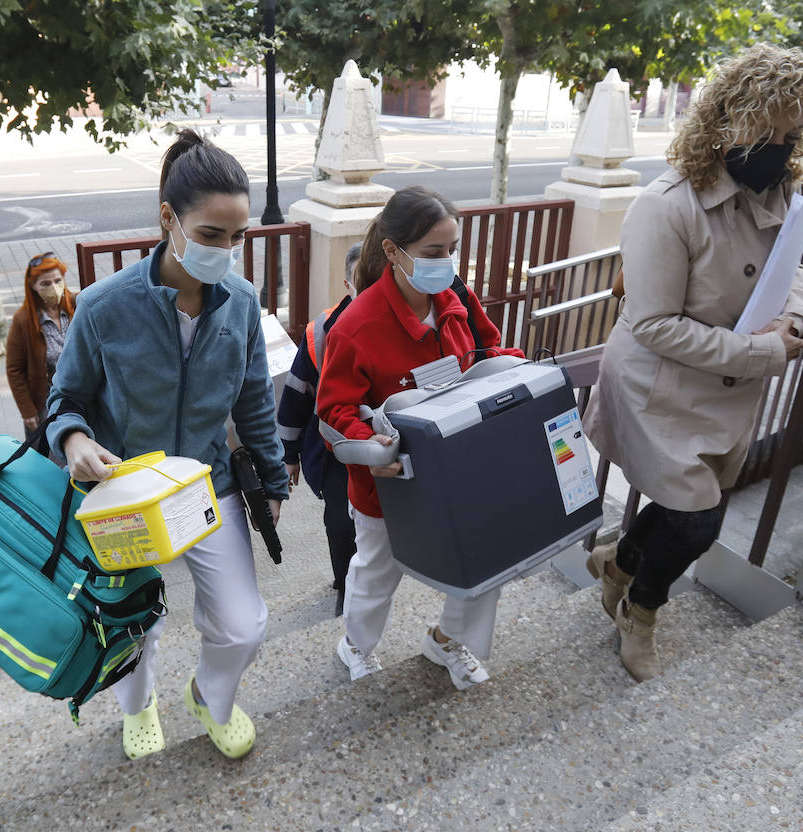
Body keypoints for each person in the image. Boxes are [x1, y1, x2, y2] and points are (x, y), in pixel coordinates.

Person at [582, 43, 803, 681]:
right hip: (657, 387)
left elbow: (791, 263)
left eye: (789, 132)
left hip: (721, 388)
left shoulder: (778, 190)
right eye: (763, 128)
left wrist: (797, 316)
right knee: (698, 521)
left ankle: (619, 562)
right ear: (725, 118)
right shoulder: (666, 206)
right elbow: (655, 323)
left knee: (690, 506)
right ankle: (640, 609)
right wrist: (764, 351)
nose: (776, 145)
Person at [46, 129, 289, 761]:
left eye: (238, 238)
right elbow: (64, 399)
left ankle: (209, 695)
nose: (226, 251)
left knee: (244, 624)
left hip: (208, 487)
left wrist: (275, 483)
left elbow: (254, 401)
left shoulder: (241, 303)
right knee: (131, 627)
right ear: (168, 219)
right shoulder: (103, 308)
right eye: (211, 234)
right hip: (123, 491)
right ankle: (139, 703)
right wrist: (72, 440)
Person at [317, 185, 524, 690]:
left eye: (452, 250)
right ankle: (357, 647)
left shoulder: (456, 298)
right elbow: (333, 411)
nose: (447, 262)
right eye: (434, 252)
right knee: (376, 577)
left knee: (484, 559)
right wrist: (370, 448)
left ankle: (447, 641)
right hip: (387, 485)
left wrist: (514, 372)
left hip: (459, 469)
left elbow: (487, 350)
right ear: (393, 251)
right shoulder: (356, 326)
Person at [276, 243, 361, 617]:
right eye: (363, 280)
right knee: (341, 523)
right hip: (336, 450)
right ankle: (345, 585)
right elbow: (296, 396)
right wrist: (289, 455)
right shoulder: (322, 333)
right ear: (348, 283)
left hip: (387, 444)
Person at [5, 252, 74, 456]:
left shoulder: (76, 306)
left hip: (79, 397)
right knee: (46, 457)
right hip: (45, 403)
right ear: (33, 287)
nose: (53, 287)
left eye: (57, 280)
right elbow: (14, 369)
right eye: (45, 283)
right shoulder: (24, 319)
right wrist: (27, 411)